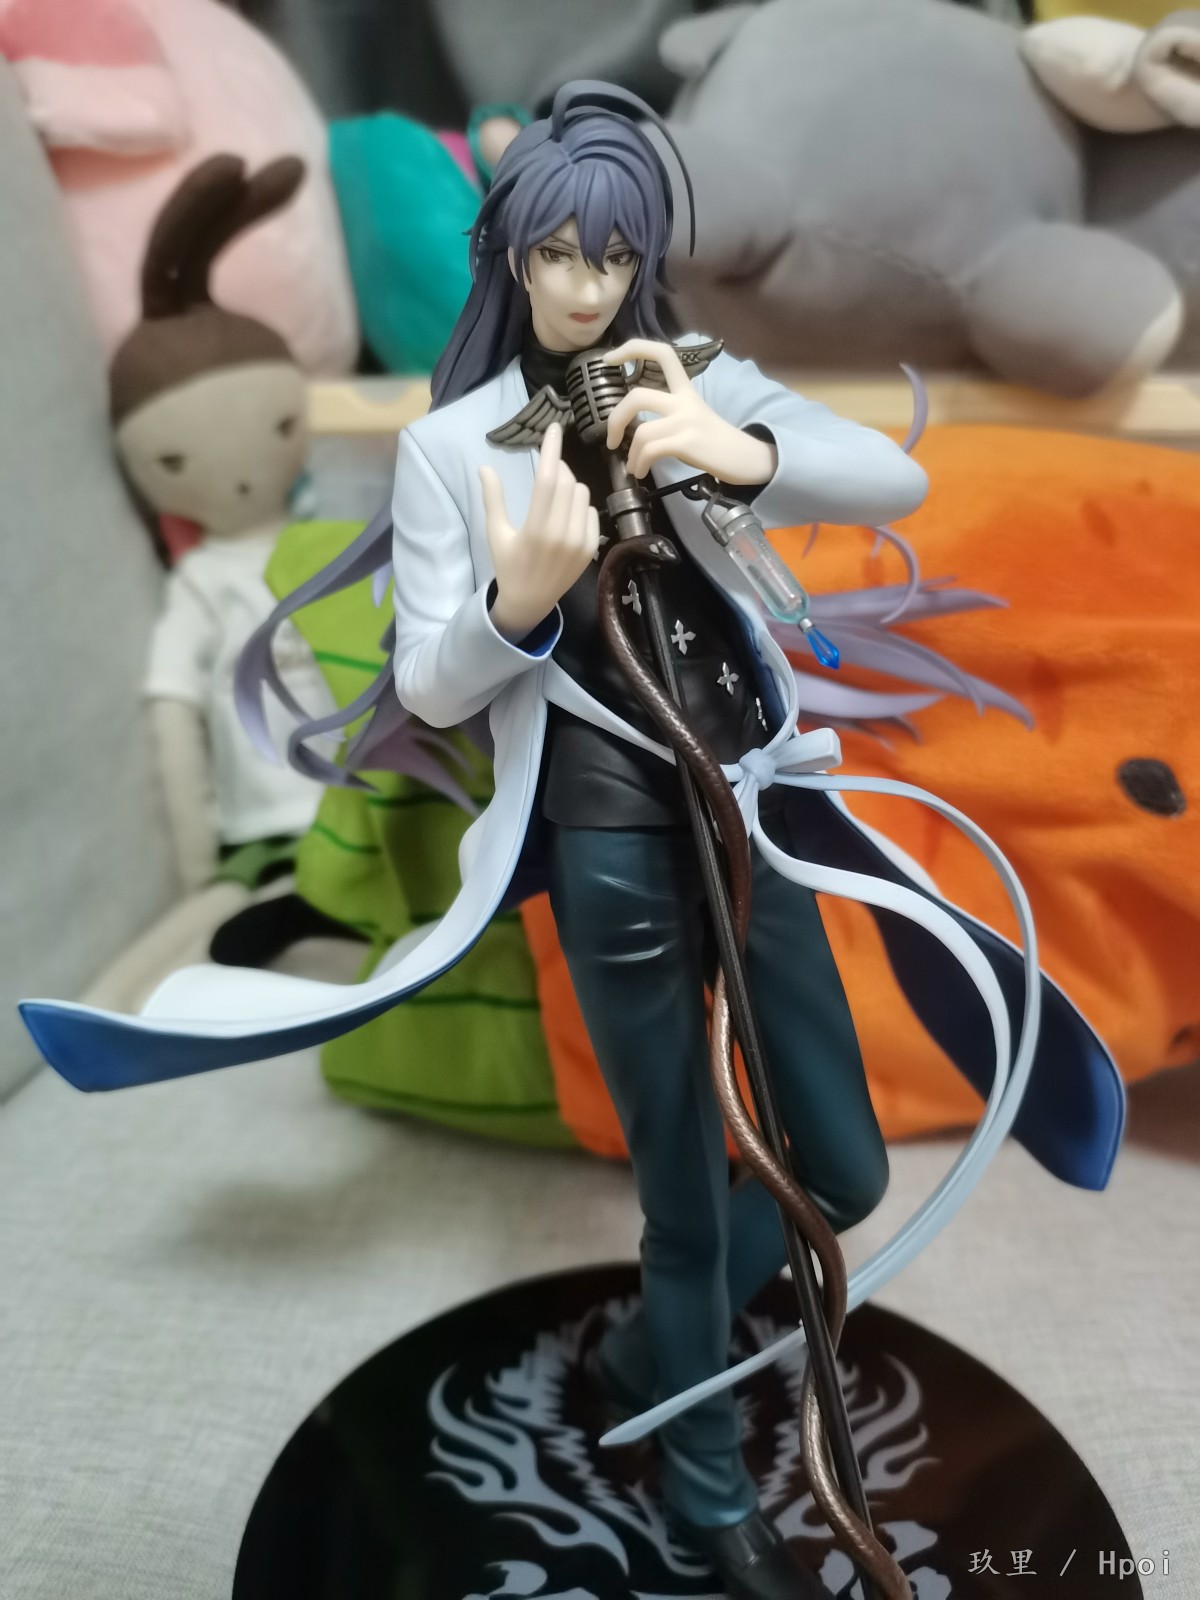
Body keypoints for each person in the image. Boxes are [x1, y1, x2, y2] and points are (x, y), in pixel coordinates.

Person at [20, 80, 1124, 1600]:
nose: (588, 287)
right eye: (559, 256)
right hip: (611, 839)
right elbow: (426, 680)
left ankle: (653, 1355)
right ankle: (702, 1473)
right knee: (682, 1193)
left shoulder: (700, 378)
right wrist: (516, 600)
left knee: (843, 1161)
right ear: (513, 256)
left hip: (750, 808)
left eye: (614, 257)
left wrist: (735, 449)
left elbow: (900, 479)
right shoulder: (454, 447)